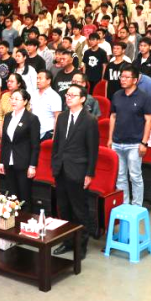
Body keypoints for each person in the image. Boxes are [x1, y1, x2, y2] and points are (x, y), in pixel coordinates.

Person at [51, 84, 98, 258]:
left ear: (82, 99)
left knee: (79, 210)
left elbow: (93, 150)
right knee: (64, 209)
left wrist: (89, 173)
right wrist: (55, 164)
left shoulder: (89, 120)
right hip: (61, 169)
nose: (68, 97)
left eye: (73, 95)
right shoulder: (62, 117)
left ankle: (81, 245)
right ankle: (67, 241)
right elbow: (56, 144)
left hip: (78, 170)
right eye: (67, 95)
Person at [108, 66, 151, 206]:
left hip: (135, 143)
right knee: (120, 176)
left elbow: (148, 120)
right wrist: (110, 138)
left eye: (127, 77)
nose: (123, 79)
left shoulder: (144, 97)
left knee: (135, 176)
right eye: (122, 76)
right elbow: (113, 117)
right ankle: (124, 205)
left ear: (135, 80)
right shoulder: (116, 95)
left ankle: (137, 206)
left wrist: (144, 143)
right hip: (117, 142)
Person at [0, 89, 41, 205]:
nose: (13, 101)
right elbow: (5, 141)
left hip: (24, 163)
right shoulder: (8, 116)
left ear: (25, 101)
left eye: (17, 99)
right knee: (11, 196)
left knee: (24, 197)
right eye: (12, 98)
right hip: (9, 162)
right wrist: (2, 161)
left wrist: (32, 165)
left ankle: (26, 215)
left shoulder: (32, 119)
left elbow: (35, 145)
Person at [30, 70, 62, 140]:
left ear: (48, 81)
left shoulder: (54, 96)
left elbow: (57, 117)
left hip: (48, 132)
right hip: (34, 131)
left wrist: (54, 136)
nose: (38, 81)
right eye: (37, 78)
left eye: (40, 78)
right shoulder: (33, 94)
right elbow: (31, 112)